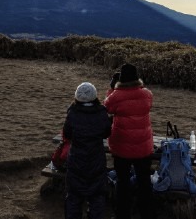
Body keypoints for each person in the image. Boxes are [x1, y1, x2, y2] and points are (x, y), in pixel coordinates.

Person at [103, 63, 155, 219]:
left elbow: (107, 108)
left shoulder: (116, 96)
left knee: (123, 183)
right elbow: (148, 105)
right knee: (144, 183)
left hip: (121, 147)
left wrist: (112, 88)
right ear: (136, 77)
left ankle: (123, 214)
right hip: (144, 147)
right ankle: (146, 213)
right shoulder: (147, 94)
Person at [62, 82, 112, 219]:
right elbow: (107, 132)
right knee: (97, 196)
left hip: (76, 159)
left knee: (73, 196)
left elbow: (67, 134)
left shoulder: (72, 113)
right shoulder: (102, 113)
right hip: (96, 159)